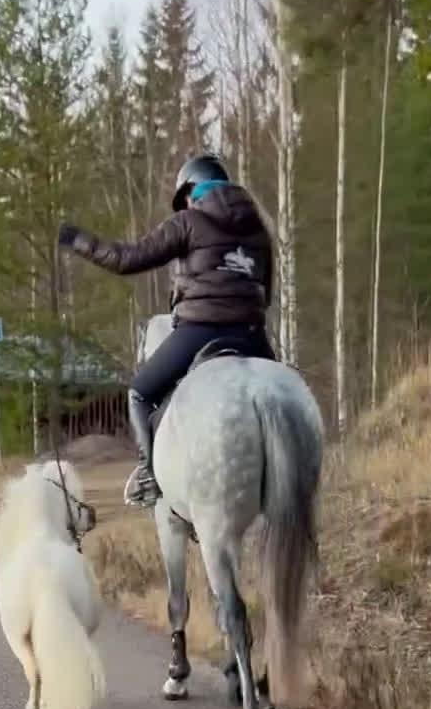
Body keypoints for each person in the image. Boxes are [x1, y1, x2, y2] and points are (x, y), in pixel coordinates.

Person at [58, 154, 276, 507]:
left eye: (184, 199)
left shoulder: (189, 221)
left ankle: (149, 473)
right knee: (288, 389)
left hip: (201, 330)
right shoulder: (259, 228)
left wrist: (77, 240)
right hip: (253, 334)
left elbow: (127, 259)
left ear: (192, 191)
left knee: (139, 393)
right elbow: (267, 290)